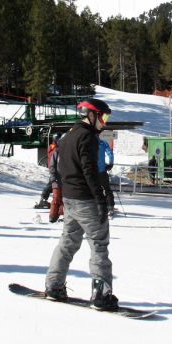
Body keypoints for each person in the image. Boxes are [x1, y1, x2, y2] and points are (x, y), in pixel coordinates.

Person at [45, 97, 119, 311]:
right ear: (92, 114)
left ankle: (54, 286)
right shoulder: (88, 138)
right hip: (86, 201)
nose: (104, 122)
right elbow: (89, 171)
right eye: (103, 117)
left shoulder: (68, 137)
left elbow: (60, 168)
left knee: (67, 243)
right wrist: (101, 199)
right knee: (99, 245)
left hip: (70, 200)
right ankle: (101, 295)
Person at [35, 134, 61, 209]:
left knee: (53, 185)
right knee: (51, 185)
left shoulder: (53, 147)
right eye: (58, 140)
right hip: (55, 170)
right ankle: (43, 200)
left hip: (55, 169)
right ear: (55, 140)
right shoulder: (55, 148)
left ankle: (45, 200)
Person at [48, 135, 64, 223]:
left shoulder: (68, 152)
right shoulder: (56, 152)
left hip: (66, 180)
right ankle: (52, 216)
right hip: (57, 179)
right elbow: (52, 166)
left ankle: (61, 214)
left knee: (65, 199)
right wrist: (54, 178)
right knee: (56, 198)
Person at [97, 137, 115, 215]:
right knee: (107, 189)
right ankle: (110, 206)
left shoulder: (89, 142)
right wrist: (110, 164)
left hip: (92, 172)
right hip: (102, 171)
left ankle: (98, 206)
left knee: (95, 189)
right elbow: (110, 153)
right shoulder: (103, 143)